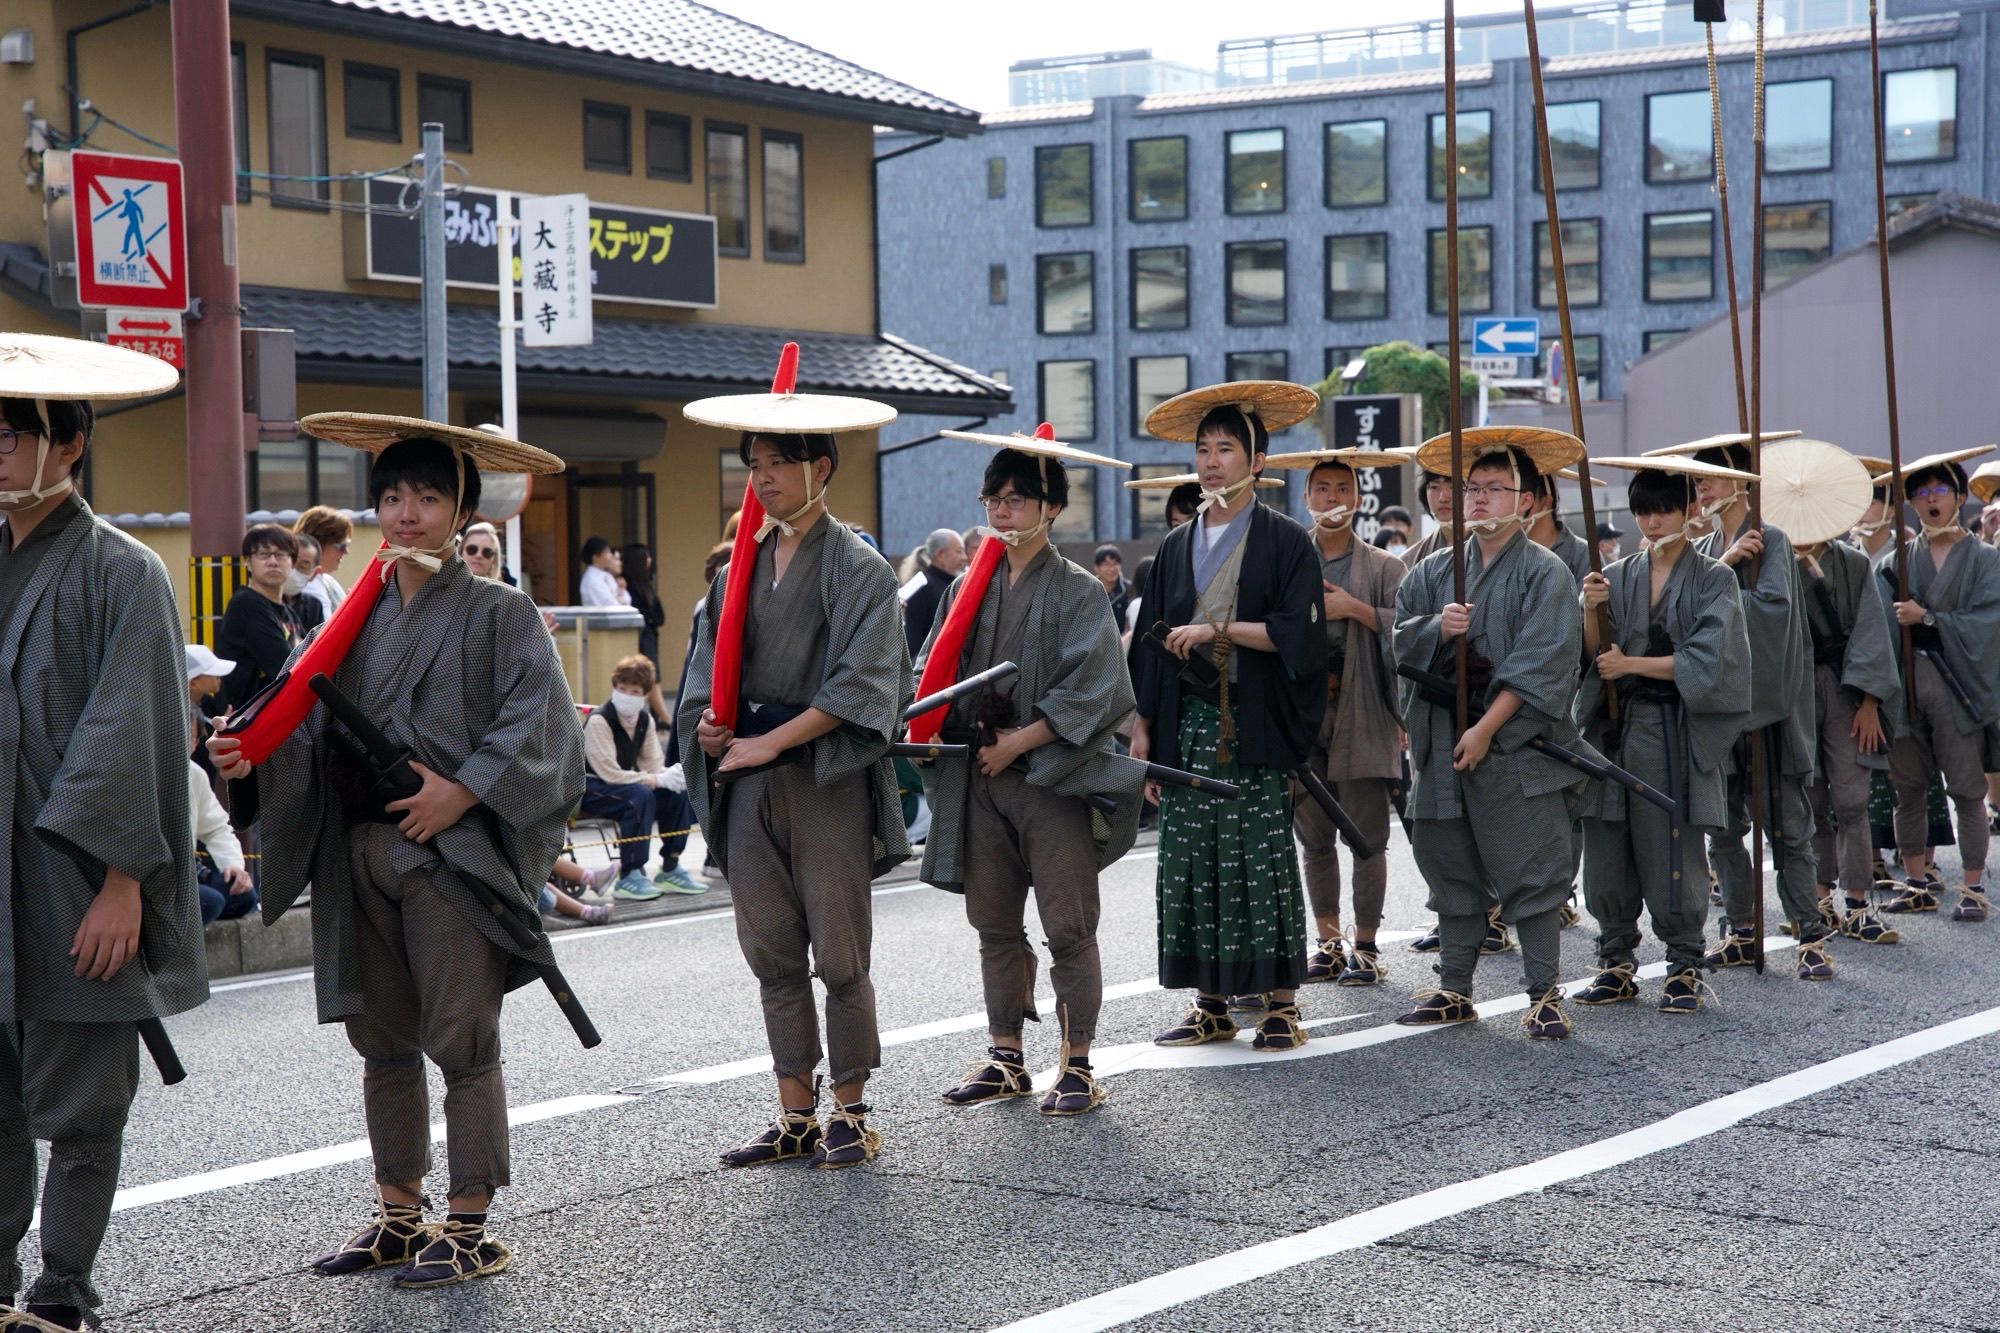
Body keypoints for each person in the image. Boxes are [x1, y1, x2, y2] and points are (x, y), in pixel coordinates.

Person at [211, 413, 579, 1290]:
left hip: (446, 852)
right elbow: (308, 716)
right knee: (381, 1039)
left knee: (461, 1036)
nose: (406, 514)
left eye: (426, 497)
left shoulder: (501, 609)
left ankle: (472, 1221)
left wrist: (466, 787)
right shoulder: (353, 615)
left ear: (459, 512)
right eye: (391, 497)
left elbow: (543, 722)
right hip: (358, 845)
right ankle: (398, 1212)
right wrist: (250, 748)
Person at [0, 334, 205, 1331]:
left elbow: (139, 731)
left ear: (69, 441)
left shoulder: (121, 572)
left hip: (74, 877)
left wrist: (126, 878)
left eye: (9, 435)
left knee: (81, 1100)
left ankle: (64, 1286)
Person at [678, 349, 910, 1169]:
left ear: (820, 469)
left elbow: (864, 682)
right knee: (772, 947)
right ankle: (795, 1110)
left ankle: (851, 1105)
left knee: (839, 951)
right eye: (754, 464)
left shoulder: (858, 567)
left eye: (778, 463)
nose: (763, 478)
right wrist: (708, 731)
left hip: (821, 775)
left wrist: (769, 740)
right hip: (747, 777)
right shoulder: (736, 566)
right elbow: (704, 670)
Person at [917, 423, 1144, 1116]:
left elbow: (1096, 686)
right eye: (994, 497)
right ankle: (1006, 1053)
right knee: (992, 922)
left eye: (1017, 498)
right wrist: (928, 724)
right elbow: (934, 666)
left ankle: (1076, 1063)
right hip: (980, 771)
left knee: (1068, 923)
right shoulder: (967, 586)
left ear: (1051, 507)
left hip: (1053, 774)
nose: (1002, 510)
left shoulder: (1077, 588)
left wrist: (1022, 741)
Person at [1127, 381, 1325, 1053]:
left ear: (1259, 460)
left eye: (1227, 449)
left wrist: (1223, 629)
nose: (1212, 462)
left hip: (1252, 721)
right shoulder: (1175, 546)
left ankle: (1281, 1004)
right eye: (1203, 449)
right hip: (1187, 723)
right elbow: (1153, 648)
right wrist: (1146, 730)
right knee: (1190, 861)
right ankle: (1210, 1002)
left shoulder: (1287, 541)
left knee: (1258, 858)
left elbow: (1301, 635)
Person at [1392, 429, 1591, 1039]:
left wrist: (1484, 728)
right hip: (1441, 738)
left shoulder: (1546, 572)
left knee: (1529, 867)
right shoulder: (1431, 573)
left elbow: (1544, 660)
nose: (1477, 499)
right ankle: (1455, 987)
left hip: (1511, 743)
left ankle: (1544, 992)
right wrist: (1436, 628)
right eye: (1469, 488)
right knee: (1450, 863)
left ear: (1527, 500)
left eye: (1494, 489)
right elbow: (1400, 638)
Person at [1572, 456, 1751, 1013]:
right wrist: (1589, 611)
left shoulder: (1714, 576)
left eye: (1663, 510)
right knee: (1607, 844)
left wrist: (1632, 666)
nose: (1652, 523)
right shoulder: (1617, 573)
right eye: (1642, 512)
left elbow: (1709, 658)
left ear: (1689, 509)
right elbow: (1592, 657)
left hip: (1670, 726)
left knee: (1670, 842)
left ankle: (1684, 963)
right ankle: (1616, 958)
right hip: (1613, 725)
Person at [1659, 435, 1831, 980]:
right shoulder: (1710, 548)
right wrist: (1726, 565)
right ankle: (1739, 929)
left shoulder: (1770, 539)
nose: (1701, 486)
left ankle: (1809, 933)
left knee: (1787, 826)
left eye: (1710, 476)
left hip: (1766, 706)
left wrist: (1728, 572)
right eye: (1697, 479)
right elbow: (1686, 617)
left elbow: (1773, 614)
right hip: (1719, 707)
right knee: (1724, 828)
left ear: (1740, 481)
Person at [1760, 442, 1904, 945]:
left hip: (1844, 688)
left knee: (1850, 799)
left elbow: (1872, 632)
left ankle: (1859, 902)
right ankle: (1819, 899)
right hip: (1794, 689)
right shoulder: (1771, 560)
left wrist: (1868, 702)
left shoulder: (1853, 563)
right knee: (1809, 797)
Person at [1282, 451, 1406, 986]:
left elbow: (1414, 632)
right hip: (1304, 714)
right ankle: (1328, 942)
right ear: (1306, 499)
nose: (1332, 499)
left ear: (1358, 500)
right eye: (1322, 490)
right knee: (1313, 838)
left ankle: (1367, 945)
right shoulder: (1286, 562)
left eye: (1342, 489)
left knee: (1367, 836)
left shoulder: (1384, 567)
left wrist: (1357, 610)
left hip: (1364, 710)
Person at [1879, 449, 1998, 922]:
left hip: (1958, 689)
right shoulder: (1895, 561)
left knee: (1967, 791)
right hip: (1907, 690)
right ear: (1911, 503)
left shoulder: (1986, 560)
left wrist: (1928, 617)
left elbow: (1990, 622)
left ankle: (1972, 887)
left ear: (1960, 497)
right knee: (1907, 789)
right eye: (1922, 493)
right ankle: (1916, 882)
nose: (1931, 500)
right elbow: (1875, 629)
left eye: (1940, 491)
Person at [580, 654, 702, 899]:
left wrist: (671, 775)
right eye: (622, 689)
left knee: (675, 792)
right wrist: (656, 779)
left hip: (623, 784)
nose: (627, 695)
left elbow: (653, 764)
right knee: (640, 795)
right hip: (590, 787)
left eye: (634, 691)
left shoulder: (645, 720)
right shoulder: (600, 720)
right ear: (614, 688)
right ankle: (631, 873)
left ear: (645, 694)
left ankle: (671, 865)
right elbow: (608, 772)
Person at [216, 524, 303, 712]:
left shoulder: (289, 614)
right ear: (247, 561)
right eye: (264, 554)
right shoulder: (247, 605)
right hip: (247, 721)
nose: (273, 562)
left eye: (280, 555)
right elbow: (286, 668)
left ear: (293, 563)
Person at [191, 750, 257, 926]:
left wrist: (232, 865)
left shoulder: (194, 773)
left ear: (196, 741)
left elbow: (217, 828)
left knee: (244, 897)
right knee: (211, 902)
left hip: (190, 876)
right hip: (156, 881)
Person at [900, 529, 965, 659]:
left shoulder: (956, 583)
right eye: (959, 551)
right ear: (940, 555)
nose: (964, 557)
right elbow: (914, 639)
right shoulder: (922, 587)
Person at [294, 504, 353, 619]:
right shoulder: (309, 586)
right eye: (342, 546)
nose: (346, 552)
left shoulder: (325, 580)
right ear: (318, 545)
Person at [287, 532, 326, 635]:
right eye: (290, 562)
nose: (292, 571)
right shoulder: (262, 602)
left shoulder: (314, 606)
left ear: (314, 573)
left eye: (303, 567)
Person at [186, 642, 234, 717]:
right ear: (193, 684)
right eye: (214, 673)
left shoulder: (208, 703)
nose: (219, 676)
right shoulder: (178, 714)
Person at [578, 537, 629, 607]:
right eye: (607, 552)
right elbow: (610, 605)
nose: (611, 555)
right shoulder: (592, 579)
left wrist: (620, 595)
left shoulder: (607, 575)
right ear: (595, 557)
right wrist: (619, 599)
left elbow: (628, 600)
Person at [1092, 544, 1130, 627]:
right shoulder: (1089, 589)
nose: (1112, 569)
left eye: (1115, 564)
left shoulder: (1130, 589)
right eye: (1106, 564)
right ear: (1096, 567)